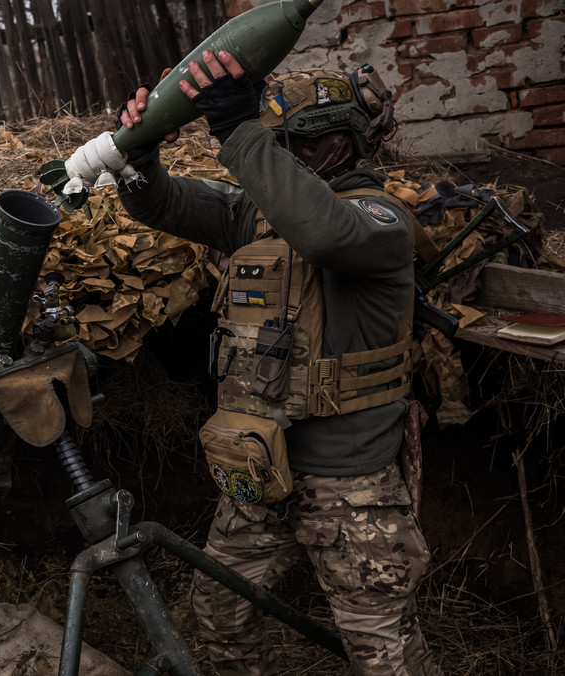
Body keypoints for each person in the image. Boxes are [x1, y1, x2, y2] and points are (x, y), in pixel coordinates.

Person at [110, 51, 438, 674]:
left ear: (340, 145)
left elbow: (323, 232)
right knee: (219, 616)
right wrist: (138, 156)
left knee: (384, 653)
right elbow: (163, 206)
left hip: (352, 489)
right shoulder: (257, 214)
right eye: (275, 143)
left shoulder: (381, 221)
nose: (279, 156)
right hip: (260, 471)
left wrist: (240, 133)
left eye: (294, 143)